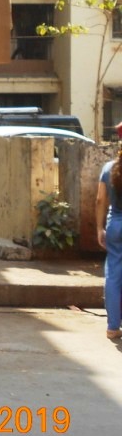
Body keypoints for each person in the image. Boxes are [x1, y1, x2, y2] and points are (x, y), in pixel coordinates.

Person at [96, 146, 122, 340]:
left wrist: (99, 228)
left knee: (113, 275)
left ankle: (112, 327)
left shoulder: (108, 168)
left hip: (114, 227)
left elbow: (100, 200)